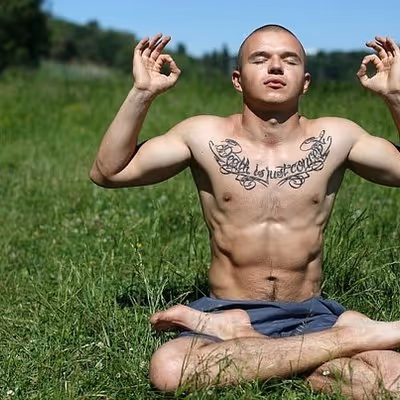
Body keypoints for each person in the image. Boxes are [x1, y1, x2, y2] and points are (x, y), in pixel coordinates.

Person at [90, 24, 400, 398]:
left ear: (305, 82)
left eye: (290, 60)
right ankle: (349, 338)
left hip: (310, 313)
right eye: (260, 59)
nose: (275, 67)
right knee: (170, 369)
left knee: (394, 380)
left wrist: (396, 96)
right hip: (226, 309)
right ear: (237, 80)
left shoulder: (337, 137)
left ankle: (258, 349)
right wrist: (141, 93)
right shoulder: (202, 135)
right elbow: (109, 172)